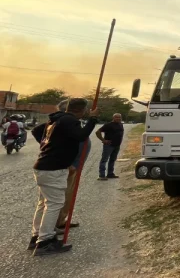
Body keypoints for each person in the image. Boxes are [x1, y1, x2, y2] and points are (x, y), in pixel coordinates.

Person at [28, 98, 99, 256]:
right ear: (81, 110)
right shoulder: (68, 121)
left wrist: (51, 145)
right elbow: (82, 136)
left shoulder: (57, 119)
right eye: (87, 110)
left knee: (44, 204)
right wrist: (93, 118)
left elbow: (38, 131)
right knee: (54, 204)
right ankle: (45, 241)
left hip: (43, 166)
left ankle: (37, 236)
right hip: (54, 168)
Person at [33, 100, 91, 232]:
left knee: (47, 202)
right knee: (56, 202)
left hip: (58, 166)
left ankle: (40, 232)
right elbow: (81, 136)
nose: (85, 112)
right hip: (61, 167)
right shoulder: (65, 121)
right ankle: (46, 237)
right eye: (84, 109)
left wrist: (47, 145)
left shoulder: (59, 121)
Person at [96, 113, 124, 180]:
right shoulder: (108, 125)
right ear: (113, 118)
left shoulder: (120, 124)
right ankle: (101, 175)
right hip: (109, 145)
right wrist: (103, 140)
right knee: (104, 160)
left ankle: (110, 174)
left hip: (117, 145)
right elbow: (97, 132)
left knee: (112, 160)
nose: (118, 118)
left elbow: (121, 133)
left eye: (119, 117)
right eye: (116, 117)